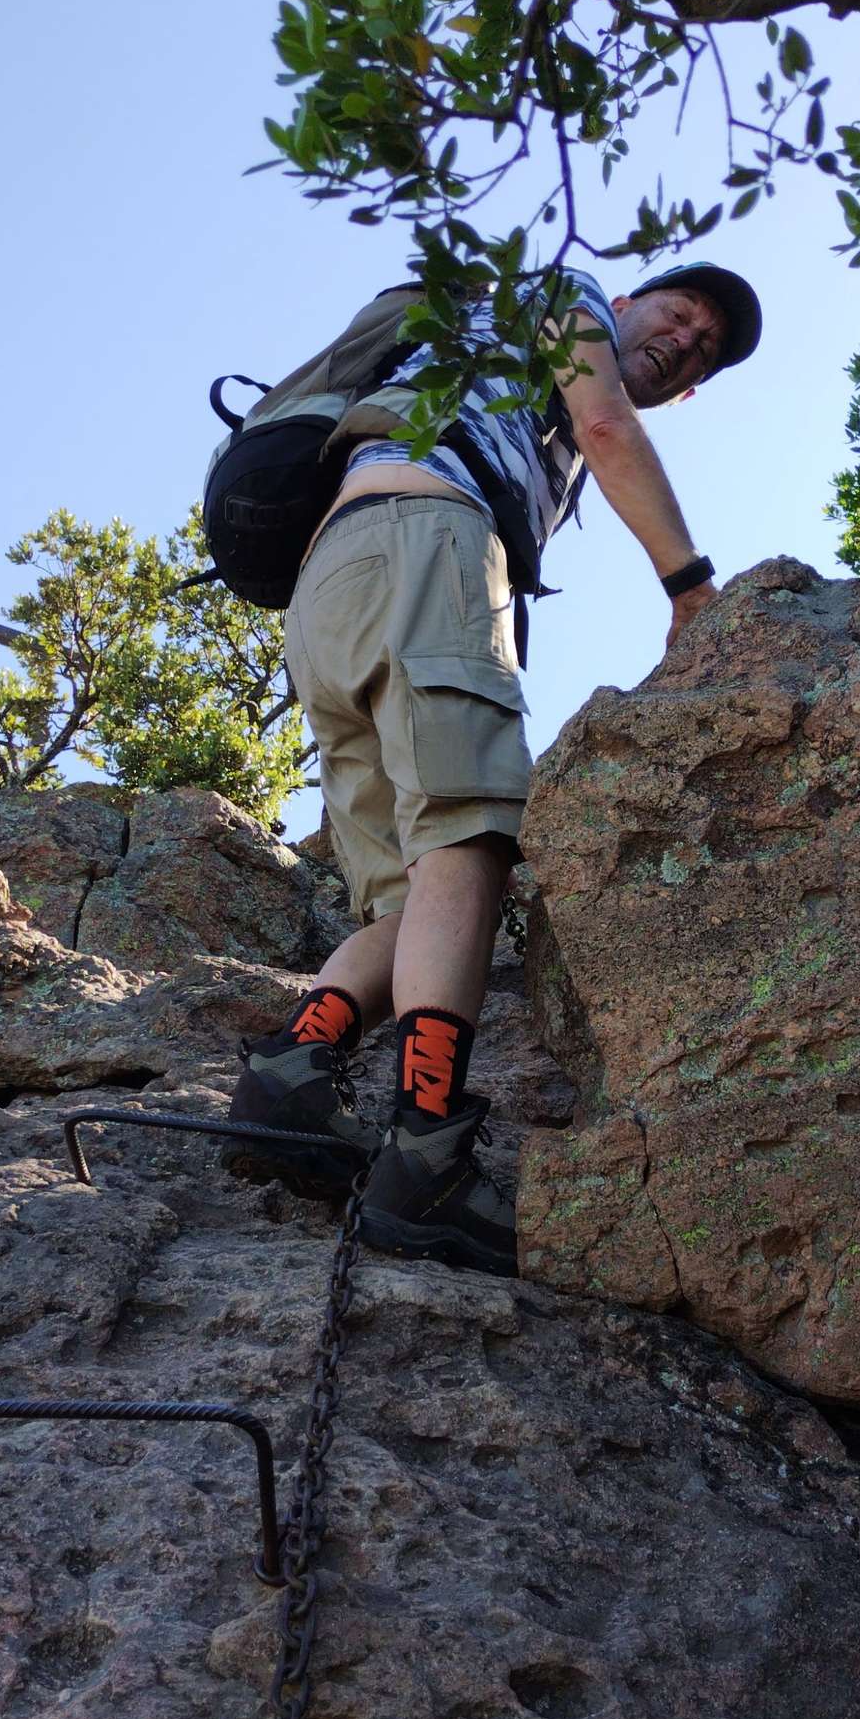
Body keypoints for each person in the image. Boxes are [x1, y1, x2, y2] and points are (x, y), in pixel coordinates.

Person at [227, 260, 762, 1275]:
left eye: (701, 351)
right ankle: (425, 1154)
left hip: (332, 584)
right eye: (680, 313)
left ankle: (291, 1075)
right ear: (628, 301)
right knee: (469, 845)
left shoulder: (492, 358)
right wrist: (691, 587)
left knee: (411, 901)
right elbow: (604, 423)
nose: (684, 340)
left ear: (690, 391)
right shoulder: (569, 296)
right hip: (428, 539)